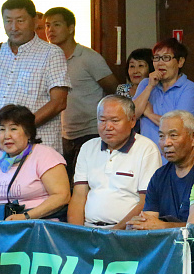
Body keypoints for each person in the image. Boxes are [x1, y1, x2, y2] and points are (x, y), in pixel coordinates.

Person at [45, 7, 119, 184]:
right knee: (63, 184)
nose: (50, 30)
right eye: (47, 25)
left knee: (85, 184)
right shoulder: (49, 60)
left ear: (70, 28)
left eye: (56, 25)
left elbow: (114, 89)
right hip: (62, 134)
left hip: (90, 132)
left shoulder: (88, 57)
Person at [68, 95, 162, 229]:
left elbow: (146, 201)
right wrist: (77, 232)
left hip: (128, 232)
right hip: (88, 229)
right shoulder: (88, 147)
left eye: (115, 120)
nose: (108, 127)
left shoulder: (146, 149)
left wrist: (114, 232)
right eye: (102, 120)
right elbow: (78, 197)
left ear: (132, 121)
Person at [0, 0, 71, 154]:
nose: (14, 27)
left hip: (36, 149)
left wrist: (21, 129)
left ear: (34, 21)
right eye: (8, 21)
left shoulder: (51, 53)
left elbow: (58, 102)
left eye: (20, 21)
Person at [0, 104, 70, 220]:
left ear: (28, 133)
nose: (7, 135)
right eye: (2, 129)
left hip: (37, 224)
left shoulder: (45, 155)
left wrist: (26, 216)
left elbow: (62, 196)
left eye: (13, 129)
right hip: (1, 225)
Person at [127, 110, 194, 229]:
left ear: (193, 136)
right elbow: (150, 220)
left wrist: (164, 226)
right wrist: (139, 225)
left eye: (173, 135)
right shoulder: (159, 176)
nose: (166, 143)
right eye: (161, 136)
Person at [133, 38, 194, 159]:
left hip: (174, 157)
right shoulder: (145, 84)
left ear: (180, 62)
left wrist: (149, 114)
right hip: (145, 156)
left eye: (166, 58)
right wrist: (150, 87)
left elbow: (179, 127)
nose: (160, 63)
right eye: (157, 58)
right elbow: (130, 116)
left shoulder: (188, 88)